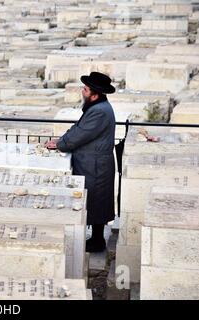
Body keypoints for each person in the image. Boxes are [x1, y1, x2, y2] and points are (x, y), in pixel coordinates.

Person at [45, 72, 116, 252]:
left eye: (85, 89)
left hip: (95, 164)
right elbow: (78, 128)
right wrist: (60, 140)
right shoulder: (97, 107)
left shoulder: (99, 111)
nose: (82, 91)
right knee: (94, 200)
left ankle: (97, 241)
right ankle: (95, 239)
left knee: (95, 200)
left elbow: (82, 134)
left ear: (94, 94)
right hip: (92, 162)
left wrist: (60, 144)